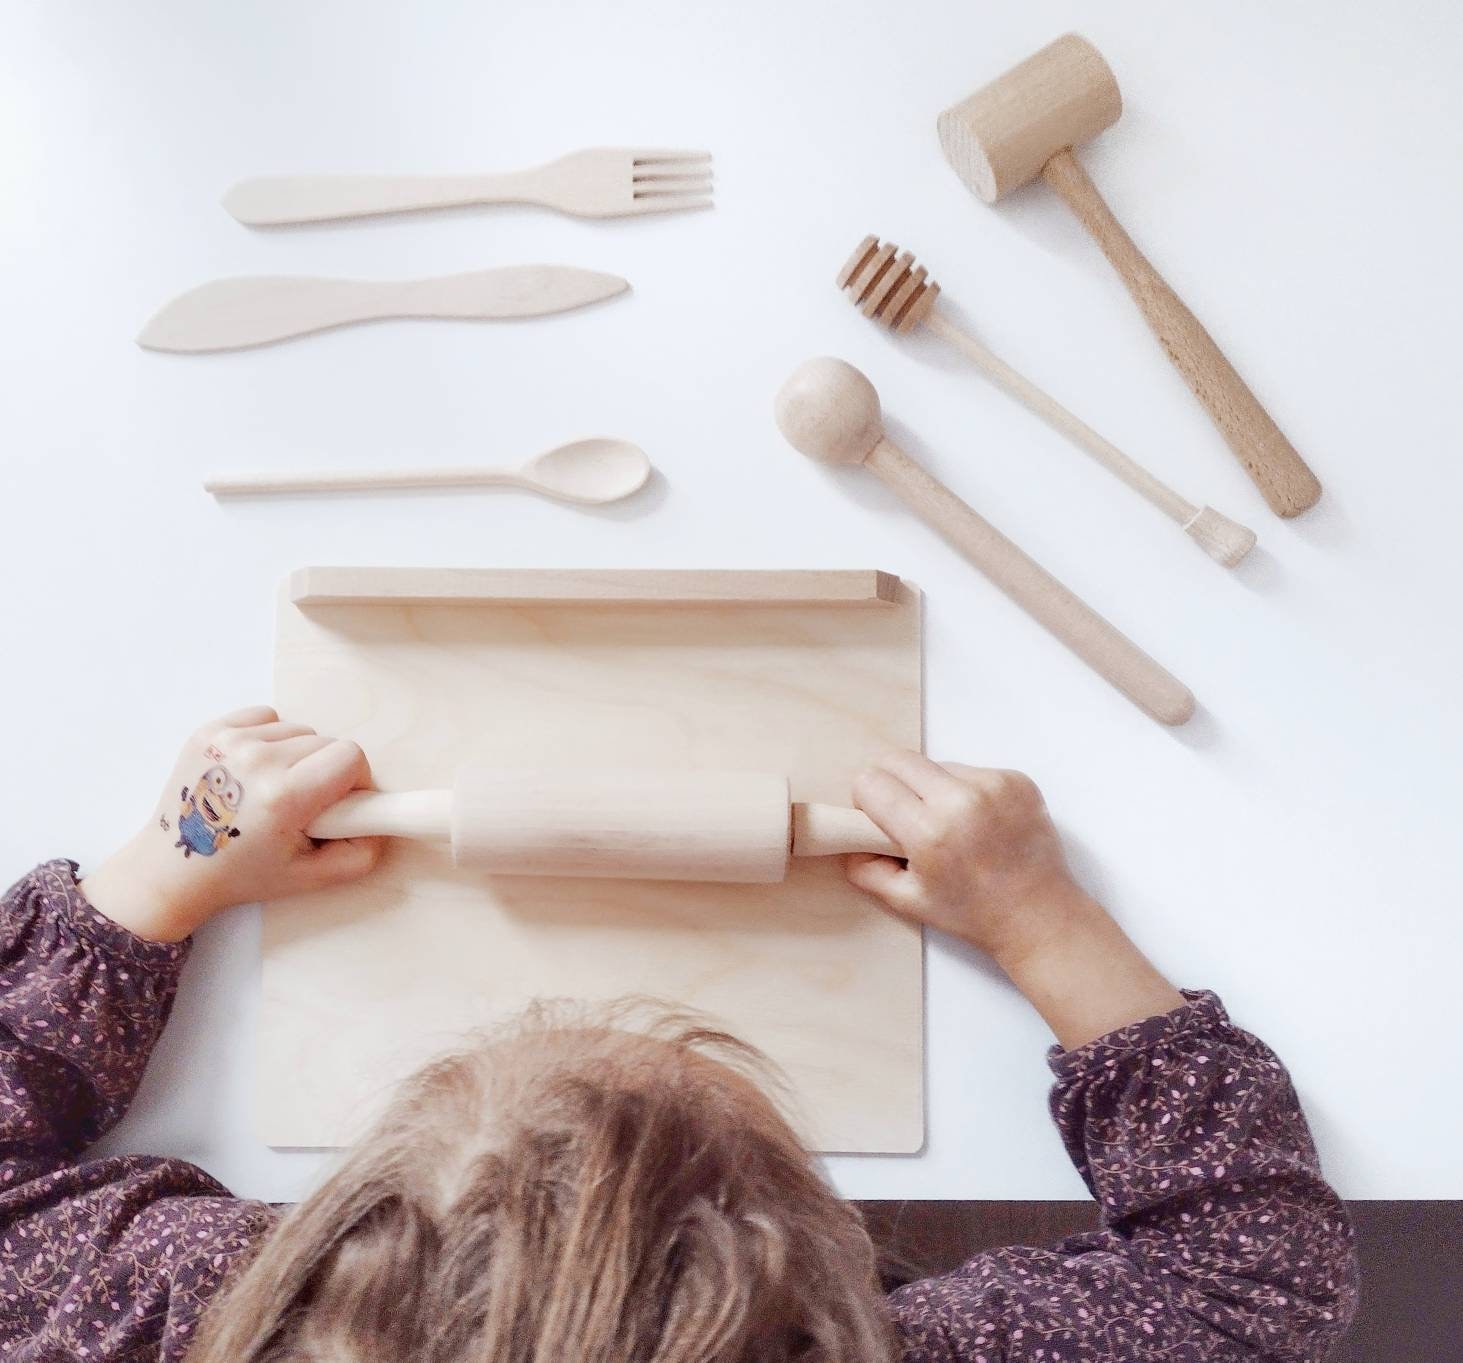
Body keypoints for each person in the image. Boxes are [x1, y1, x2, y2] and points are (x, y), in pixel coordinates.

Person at [0, 707, 1357, 1361]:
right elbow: (1249, 1279)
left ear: (319, 1254)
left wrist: (173, 860)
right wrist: (1045, 921)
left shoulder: (183, 1317)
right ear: (807, 1281)